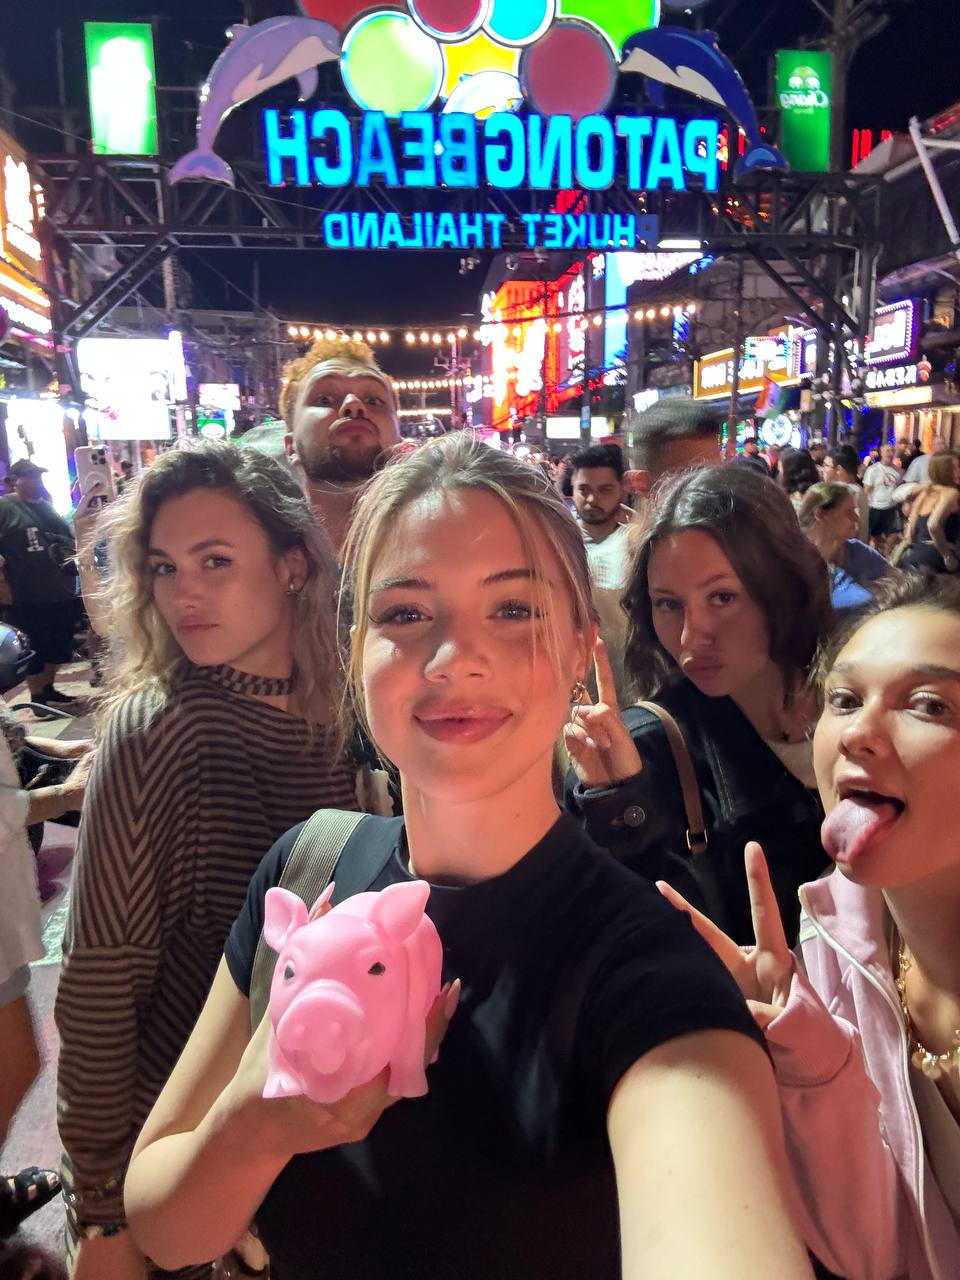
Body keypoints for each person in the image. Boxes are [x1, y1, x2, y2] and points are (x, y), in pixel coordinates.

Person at [123, 434, 815, 1280]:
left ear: (579, 648)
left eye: (514, 610)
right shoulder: (309, 868)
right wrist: (257, 1125)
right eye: (405, 614)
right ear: (356, 650)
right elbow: (165, 1227)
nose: (454, 660)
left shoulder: (647, 977)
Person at [55, 442, 362, 1280]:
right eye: (164, 567)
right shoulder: (157, 728)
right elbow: (101, 983)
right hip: (190, 1158)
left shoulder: (357, 714)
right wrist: (101, 1212)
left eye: (215, 561)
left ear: (292, 566)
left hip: (326, 1149)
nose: (183, 593)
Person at [659, 572, 960, 1280]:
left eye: (929, 704)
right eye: (844, 700)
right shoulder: (835, 943)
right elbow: (871, 1253)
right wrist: (810, 1063)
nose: (857, 733)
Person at [565, 464, 832, 946]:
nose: (691, 636)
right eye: (668, 604)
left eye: (723, 597)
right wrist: (619, 807)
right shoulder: (642, 752)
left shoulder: (858, 703)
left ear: (784, 588)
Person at [282, 337, 401, 555]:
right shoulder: (262, 559)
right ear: (291, 447)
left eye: (373, 401)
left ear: (399, 439)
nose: (353, 404)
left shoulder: (442, 544)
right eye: (325, 400)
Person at [0, 460, 79, 706]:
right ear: (15, 480)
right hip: (24, 592)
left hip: (58, 588)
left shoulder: (47, 507)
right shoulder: (5, 507)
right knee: (35, 644)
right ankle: (37, 696)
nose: (36, 481)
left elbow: (66, 538)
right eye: (30, 476)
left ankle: (48, 688)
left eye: (38, 476)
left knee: (58, 642)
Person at [570, 444, 635, 705]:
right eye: (584, 489)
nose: (592, 499)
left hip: (630, 683)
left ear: (623, 489)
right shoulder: (556, 543)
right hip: (571, 687)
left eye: (604, 490)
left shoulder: (639, 543)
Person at [798, 481, 894, 612]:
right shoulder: (798, 562)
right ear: (821, 515)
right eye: (849, 512)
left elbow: (898, 580)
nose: (856, 518)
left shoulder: (858, 552)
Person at [898, 452, 960, 574]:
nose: (958, 471)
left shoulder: (926, 493)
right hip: (937, 559)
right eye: (954, 468)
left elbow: (910, 532)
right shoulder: (951, 493)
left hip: (915, 555)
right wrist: (947, 556)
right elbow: (933, 525)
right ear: (943, 471)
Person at [822, 444, 870, 541]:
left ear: (839, 469)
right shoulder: (856, 489)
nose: (823, 469)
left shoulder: (848, 492)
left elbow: (854, 529)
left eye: (826, 465)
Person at [863, 444, 902, 553]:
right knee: (875, 537)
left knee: (894, 534)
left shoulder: (897, 471)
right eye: (887, 451)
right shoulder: (873, 470)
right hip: (876, 508)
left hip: (892, 508)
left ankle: (886, 556)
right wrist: (864, 508)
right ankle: (875, 556)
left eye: (892, 451)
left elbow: (899, 487)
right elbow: (866, 490)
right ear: (881, 453)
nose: (890, 453)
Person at [779, 447, 821, 512]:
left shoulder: (791, 502)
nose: (779, 470)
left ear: (790, 470)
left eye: (781, 467)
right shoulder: (817, 492)